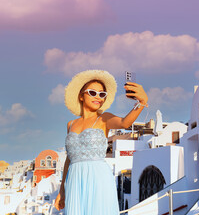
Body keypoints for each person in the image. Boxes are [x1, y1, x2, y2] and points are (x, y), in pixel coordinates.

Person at [54, 70, 148, 214]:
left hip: (98, 178)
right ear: (81, 96)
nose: (98, 97)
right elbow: (69, 158)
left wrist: (142, 102)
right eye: (92, 92)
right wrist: (62, 191)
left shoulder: (104, 118)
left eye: (102, 94)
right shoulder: (71, 124)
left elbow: (124, 123)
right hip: (74, 180)